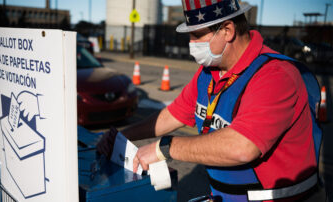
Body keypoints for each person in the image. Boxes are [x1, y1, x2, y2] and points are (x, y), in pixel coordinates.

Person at [98, 0, 324, 201]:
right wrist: (122, 135)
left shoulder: (275, 75)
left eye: (197, 35)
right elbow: (174, 114)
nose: (191, 43)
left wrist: (163, 148)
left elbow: (242, 147)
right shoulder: (209, 72)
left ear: (227, 30)